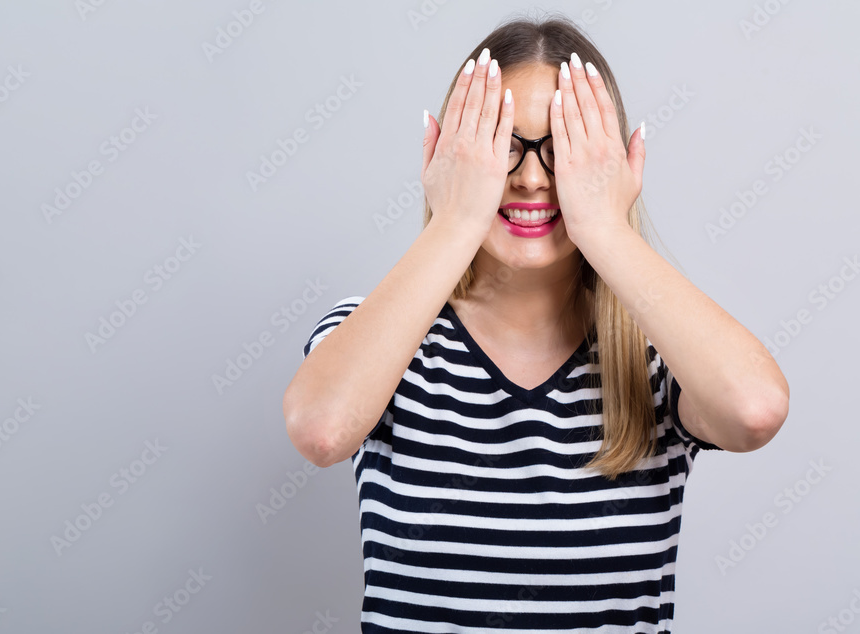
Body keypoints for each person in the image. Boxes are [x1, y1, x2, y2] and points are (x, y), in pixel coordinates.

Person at [282, 13, 789, 633]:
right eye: (504, 147)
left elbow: (755, 410)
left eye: (563, 151)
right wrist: (454, 220)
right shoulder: (383, 336)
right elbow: (321, 431)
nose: (529, 177)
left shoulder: (658, 355)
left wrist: (604, 224)